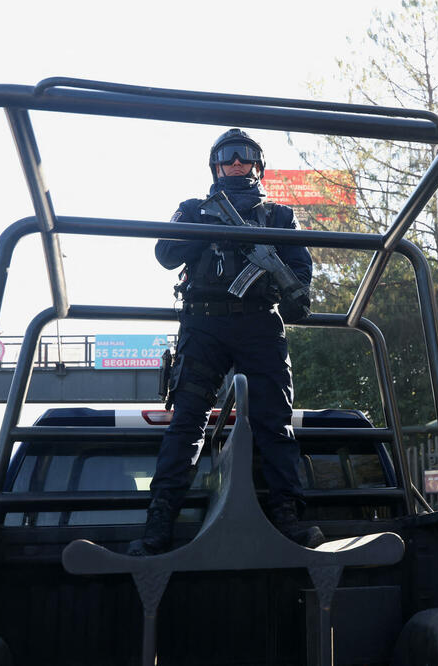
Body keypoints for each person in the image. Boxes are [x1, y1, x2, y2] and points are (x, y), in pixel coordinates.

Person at [128, 128, 320, 556]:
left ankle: (288, 516)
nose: (236, 162)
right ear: (215, 164)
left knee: (275, 421)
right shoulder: (195, 208)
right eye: (228, 156)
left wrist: (291, 294)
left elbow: (300, 276)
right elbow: (165, 253)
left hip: (259, 326)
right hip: (204, 326)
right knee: (187, 423)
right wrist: (206, 225)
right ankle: (159, 523)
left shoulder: (279, 216)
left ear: (257, 164)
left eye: (245, 156)